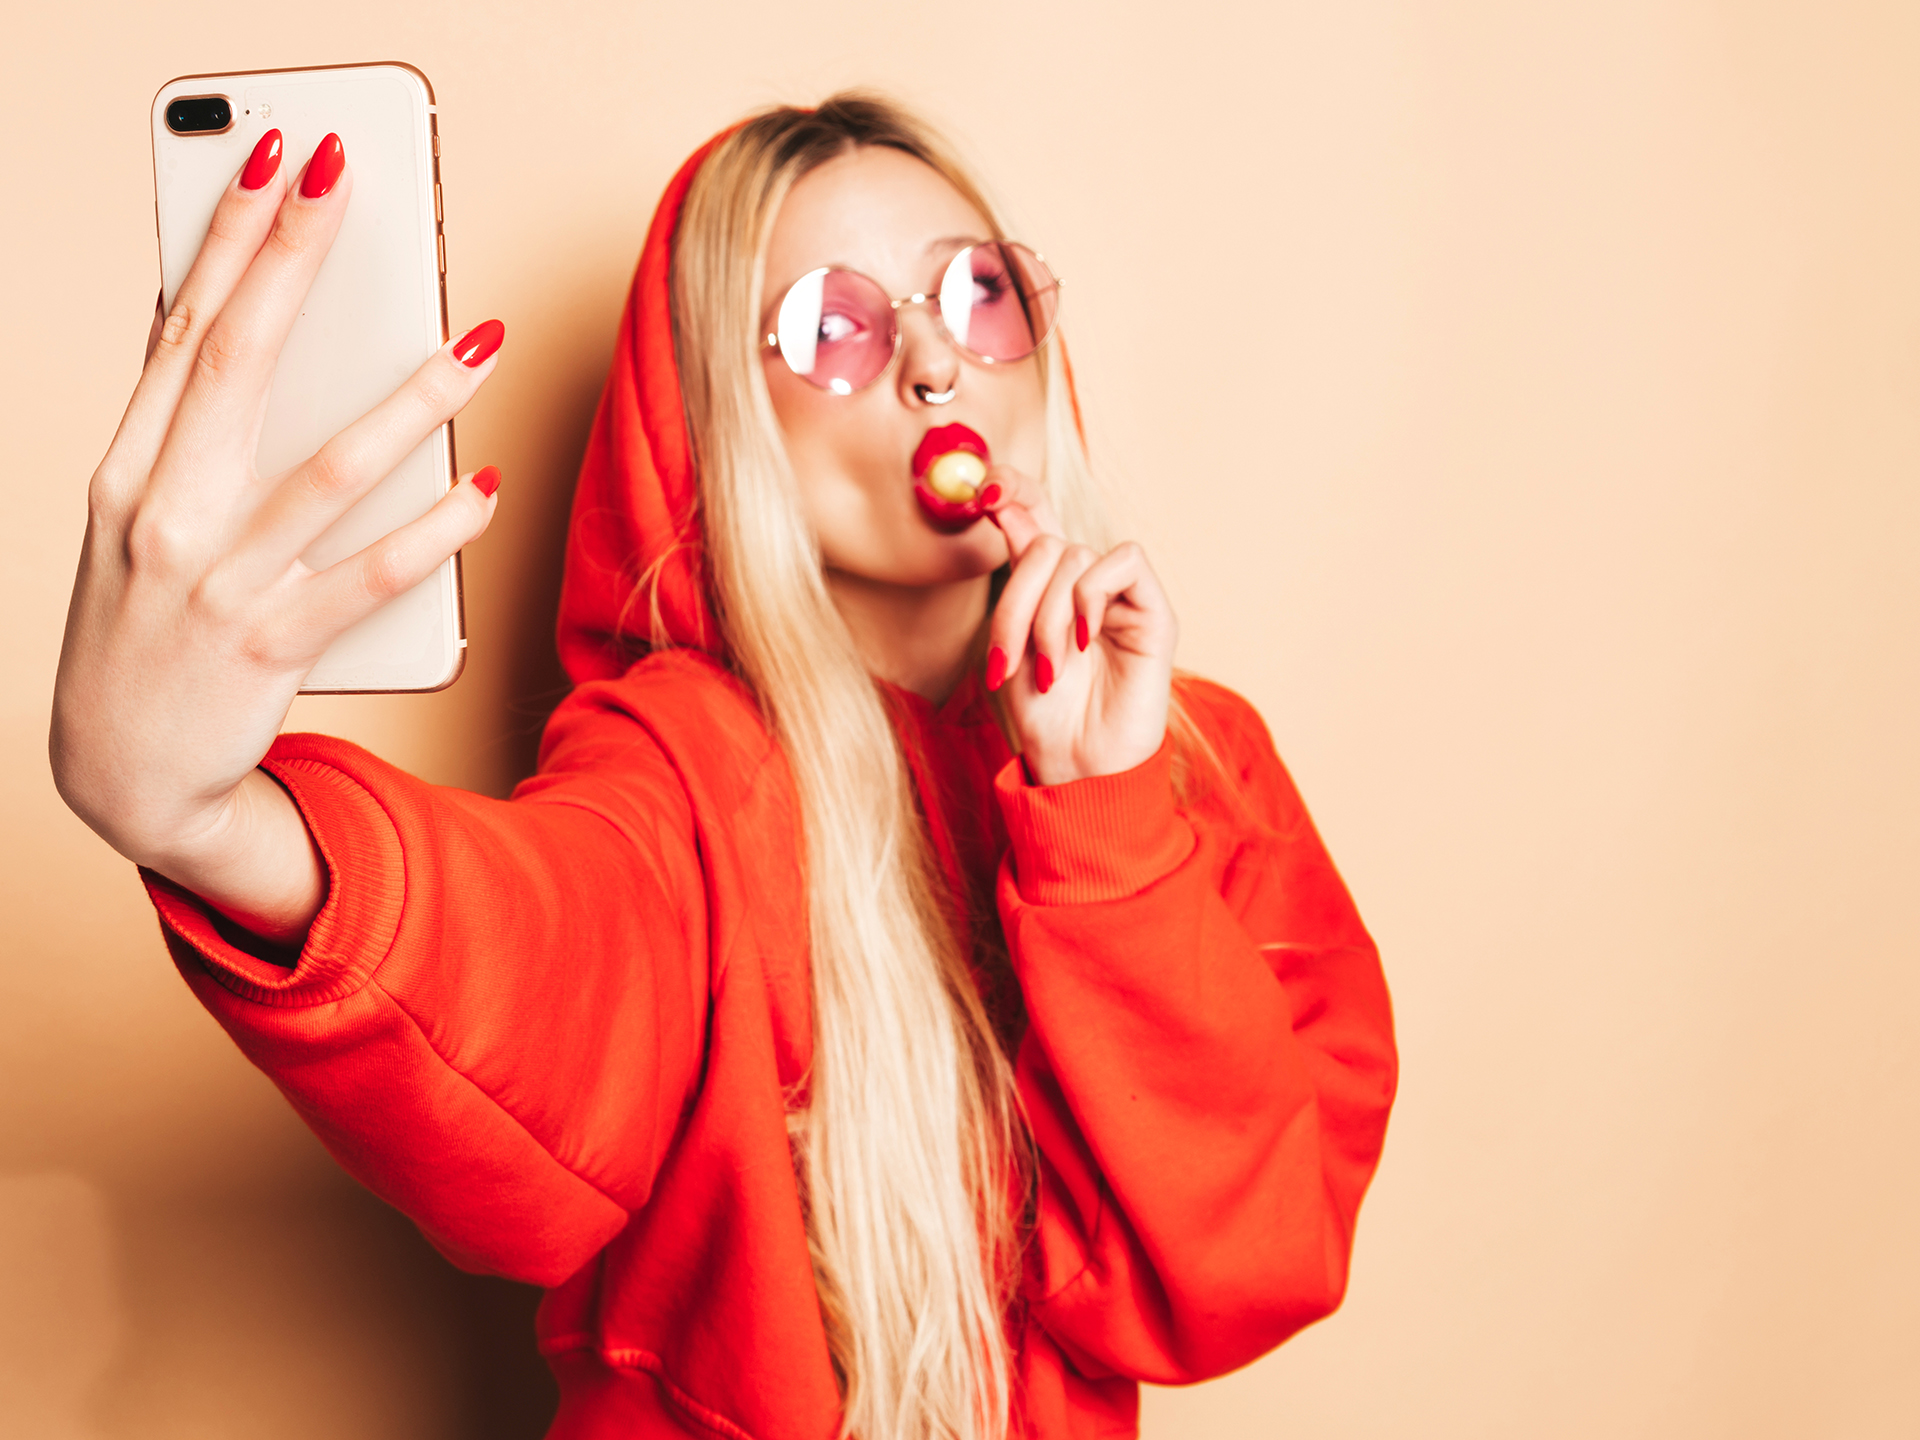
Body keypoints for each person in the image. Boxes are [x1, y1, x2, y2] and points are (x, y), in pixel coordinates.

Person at [51, 94, 1398, 1440]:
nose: (938, 363)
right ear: (717, 416)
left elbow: (1250, 1263)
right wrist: (204, 820)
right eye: (833, 327)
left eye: (979, 293)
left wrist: (1101, 824)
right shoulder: (682, 769)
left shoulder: (1196, 765)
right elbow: (535, 968)